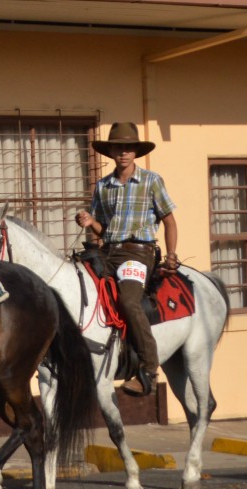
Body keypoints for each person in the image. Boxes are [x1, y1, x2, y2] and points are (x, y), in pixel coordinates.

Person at [75, 121, 179, 396]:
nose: (123, 152)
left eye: (128, 147)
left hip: (138, 252)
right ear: (111, 152)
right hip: (109, 250)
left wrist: (171, 255)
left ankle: (148, 370)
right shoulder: (103, 186)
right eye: (118, 148)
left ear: (135, 152)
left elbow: (169, 221)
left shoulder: (151, 181)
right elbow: (101, 229)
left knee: (129, 301)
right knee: (78, 289)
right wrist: (88, 221)